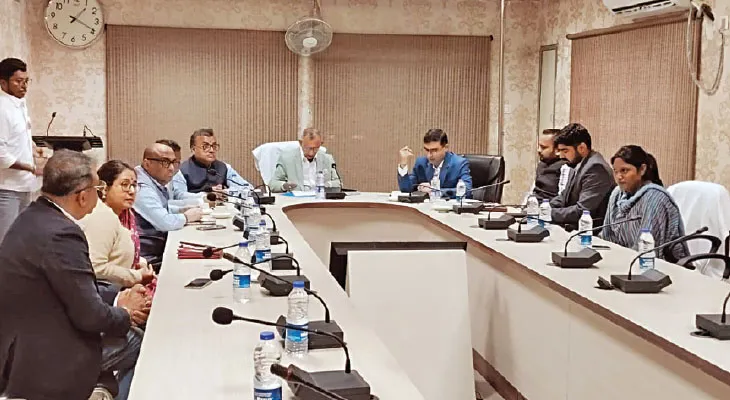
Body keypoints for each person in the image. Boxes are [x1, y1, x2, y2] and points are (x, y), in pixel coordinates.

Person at [0, 150, 150, 400]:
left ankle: (100, 388)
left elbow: (74, 286)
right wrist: (125, 312)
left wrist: (117, 300)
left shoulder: (31, 217)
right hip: (39, 357)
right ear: (82, 196)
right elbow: (90, 316)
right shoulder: (62, 234)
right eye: (98, 188)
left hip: (24, 338)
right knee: (138, 341)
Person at [601, 145, 689, 262]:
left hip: (657, 265)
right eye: (615, 171)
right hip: (623, 261)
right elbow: (607, 238)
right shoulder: (616, 194)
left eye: (624, 171)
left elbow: (648, 249)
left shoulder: (654, 198)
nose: (619, 177)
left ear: (642, 169)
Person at [80, 160, 156, 288]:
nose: (131, 191)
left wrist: (141, 263)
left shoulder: (126, 214)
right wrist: (136, 275)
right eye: (124, 185)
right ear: (105, 188)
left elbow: (120, 253)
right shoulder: (101, 217)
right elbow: (96, 266)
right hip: (108, 293)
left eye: (134, 185)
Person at [134, 143, 203, 265]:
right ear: (147, 163)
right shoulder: (141, 187)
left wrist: (180, 210)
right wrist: (187, 217)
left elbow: (162, 206)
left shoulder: (155, 180)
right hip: (147, 255)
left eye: (173, 162)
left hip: (158, 246)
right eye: (165, 162)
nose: (171, 168)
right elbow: (165, 223)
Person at [0, 58, 44, 244]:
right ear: (3, 83)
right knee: (6, 243)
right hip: (7, 189)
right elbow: (1, 154)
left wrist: (33, 148)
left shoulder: (20, 104)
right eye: (18, 81)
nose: (24, 86)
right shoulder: (2, 109)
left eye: (26, 81)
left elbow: (18, 136)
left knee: (20, 242)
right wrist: (30, 168)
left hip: (25, 186)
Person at [549, 123, 615, 226]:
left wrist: (549, 214)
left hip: (590, 231)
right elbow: (564, 198)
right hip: (573, 226)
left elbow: (582, 210)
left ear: (582, 148)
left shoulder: (596, 168)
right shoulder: (577, 163)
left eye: (565, 151)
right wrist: (543, 208)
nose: (561, 156)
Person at [397, 128, 473, 198]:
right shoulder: (421, 163)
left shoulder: (459, 163)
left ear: (446, 148)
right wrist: (403, 163)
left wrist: (435, 191)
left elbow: (467, 190)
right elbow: (406, 189)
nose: (429, 155)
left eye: (434, 150)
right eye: (427, 150)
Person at [268, 128, 341, 192]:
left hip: (320, 199)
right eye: (308, 148)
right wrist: (284, 186)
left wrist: (327, 185)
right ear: (300, 143)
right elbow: (273, 184)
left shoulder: (327, 159)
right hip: (297, 201)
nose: (311, 153)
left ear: (320, 144)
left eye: (315, 149)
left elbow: (338, 183)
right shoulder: (286, 159)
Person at [178, 128, 250, 194]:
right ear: (193, 149)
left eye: (214, 146)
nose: (212, 150)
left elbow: (247, 188)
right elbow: (179, 195)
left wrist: (225, 192)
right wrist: (206, 195)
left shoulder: (224, 167)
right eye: (205, 147)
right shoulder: (181, 170)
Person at [155, 138, 204, 213]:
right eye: (169, 162)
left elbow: (176, 194)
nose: (173, 167)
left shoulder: (168, 175)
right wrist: (185, 214)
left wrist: (203, 197)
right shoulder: (143, 183)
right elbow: (163, 206)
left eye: (177, 162)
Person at [529, 129, 569, 201]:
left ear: (558, 150)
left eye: (543, 147)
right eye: (539, 146)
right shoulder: (542, 164)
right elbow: (533, 191)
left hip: (549, 206)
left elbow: (563, 197)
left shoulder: (565, 167)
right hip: (533, 205)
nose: (539, 150)